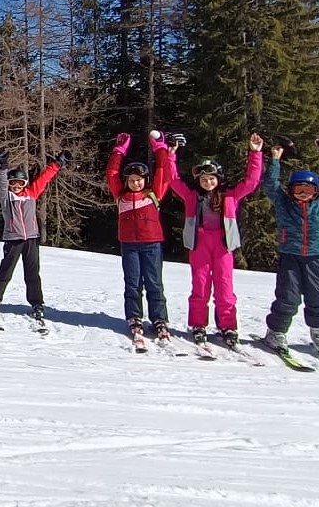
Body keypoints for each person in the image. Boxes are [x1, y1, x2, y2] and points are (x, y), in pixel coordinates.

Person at [166, 133, 264, 348]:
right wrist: (170, 156)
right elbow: (173, 180)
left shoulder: (230, 195)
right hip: (199, 244)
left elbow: (251, 181)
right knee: (200, 286)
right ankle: (198, 325)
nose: (208, 182)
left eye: (211, 179)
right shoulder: (192, 196)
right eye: (203, 179)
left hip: (222, 245)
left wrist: (255, 154)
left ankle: (228, 325)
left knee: (225, 288)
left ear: (218, 179)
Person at [261, 138, 319, 356]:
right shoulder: (284, 203)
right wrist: (275, 160)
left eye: (308, 188)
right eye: (298, 188)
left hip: (316, 257)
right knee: (287, 296)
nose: (302, 192)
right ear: (291, 189)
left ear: (316, 190)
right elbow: (270, 186)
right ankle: (276, 332)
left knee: (318, 297)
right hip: (290, 256)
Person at [0, 150, 67, 328]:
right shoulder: (7, 197)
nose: (16, 186)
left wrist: (57, 164)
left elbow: (45, 178)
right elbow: (1, 183)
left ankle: (36, 302)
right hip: (13, 239)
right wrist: (3, 167)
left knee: (32, 273)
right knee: (6, 271)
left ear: (25, 184)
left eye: (20, 183)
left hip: (31, 239)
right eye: (13, 183)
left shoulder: (32, 193)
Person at [107, 131, 174, 343]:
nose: (136, 184)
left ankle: (159, 319)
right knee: (133, 283)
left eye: (139, 180)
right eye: (132, 180)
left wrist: (159, 147)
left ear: (145, 180)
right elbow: (111, 173)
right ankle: (134, 317)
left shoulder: (153, 193)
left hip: (152, 244)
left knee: (154, 283)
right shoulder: (120, 195)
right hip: (129, 246)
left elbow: (163, 170)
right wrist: (119, 150)